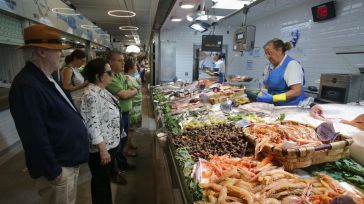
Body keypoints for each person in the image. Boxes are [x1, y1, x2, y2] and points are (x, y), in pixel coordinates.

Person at [9, 24, 89, 204]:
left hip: (67, 161)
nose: (62, 55)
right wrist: (54, 171)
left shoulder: (46, 78)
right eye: (58, 50)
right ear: (41, 52)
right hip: (58, 169)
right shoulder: (27, 85)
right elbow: (34, 135)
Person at [80, 58, 127, 204]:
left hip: (110, 144)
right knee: (100, 183)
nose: (111, 75)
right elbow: (92, 125)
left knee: (104, 181)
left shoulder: (101, 90)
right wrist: (102, 150)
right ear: (97, 76)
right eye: (108, 72)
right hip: (102, 149)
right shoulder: (90, 95)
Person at [106, 50, 138, 169]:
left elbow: (126, 91)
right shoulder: (109, 77)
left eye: (123, 61)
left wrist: (129, 92)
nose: (123, 63)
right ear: (110, 62)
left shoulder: (120, 76)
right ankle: (116, 169)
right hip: (115, 116)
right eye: (119, 61)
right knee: (117, 143)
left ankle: (122, 164)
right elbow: (124, 94)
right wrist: (134, 91)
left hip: (124, 113)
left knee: (123, 140)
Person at [257, 38, 306, 106]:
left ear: (279, 50)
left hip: (291, 107)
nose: (268, 57)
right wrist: (262, 93)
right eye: (266, 54)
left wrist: (274, 98)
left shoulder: (291, 65)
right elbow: (265, 83)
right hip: (276, 106)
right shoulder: (269, 66)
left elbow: (296, 91)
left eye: (269, 53)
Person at [124, 56, 142, 137]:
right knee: (130, 129)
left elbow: (138, 88)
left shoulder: (133, 77)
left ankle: (129, 144)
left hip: (136, 107)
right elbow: (128, 93)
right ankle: (127, 148)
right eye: (135, 65)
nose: (137, 67)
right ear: (131, 67)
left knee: (132, 128)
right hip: (132, 107)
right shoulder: (126, 78)